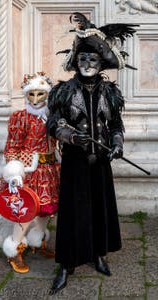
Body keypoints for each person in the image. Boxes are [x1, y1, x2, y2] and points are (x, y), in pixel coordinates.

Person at [46, 12, 137, 294]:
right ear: (76, 62)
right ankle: (66, 263)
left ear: (101, 63)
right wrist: (71, 135)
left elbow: (115, 124)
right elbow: (52, 123)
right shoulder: (63, 91)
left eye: (93, 60)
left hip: (101, 162)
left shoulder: (110, 91)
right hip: (74, 161)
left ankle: (98, 254)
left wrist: (118, 144)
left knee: (99, 207)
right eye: (83, 59)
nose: (88, 64)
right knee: (73, 212)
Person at [0, 72, 60, 273]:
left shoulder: (54, 117)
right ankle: (14, 249)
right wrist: (14, 171)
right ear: (26, 95)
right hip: (29, 171)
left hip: (50, 169)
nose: (36, 99)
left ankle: (37, 240)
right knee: (26, 210)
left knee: (47, 208)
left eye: (41, 94)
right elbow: (11, 147)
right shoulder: (20, 118)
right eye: (32, 94)